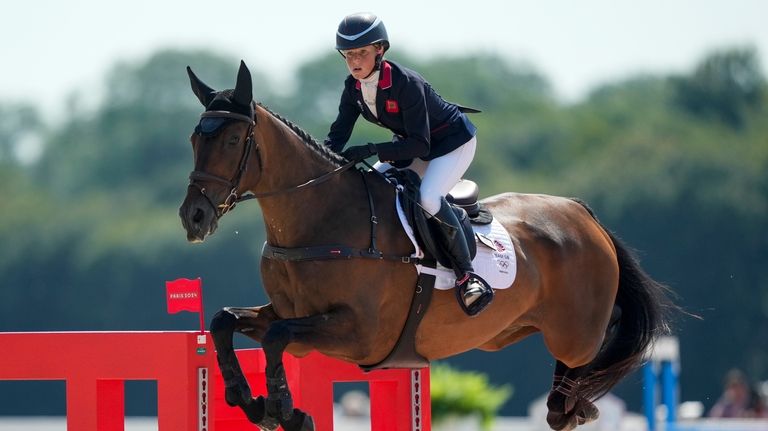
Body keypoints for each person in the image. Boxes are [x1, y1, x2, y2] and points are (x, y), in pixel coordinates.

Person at [324, 12, 493, 316]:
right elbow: (338, 134)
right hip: (413, 145)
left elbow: (421, 144)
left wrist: (374, 148)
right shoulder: (353, 88)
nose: (354, 61)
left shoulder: (406, 84)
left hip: (452, 144)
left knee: (428, 197)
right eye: (348, 55)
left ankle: (468, 277)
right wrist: (321, 164)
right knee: (372, 188)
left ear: (380, 50)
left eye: (361, 52)